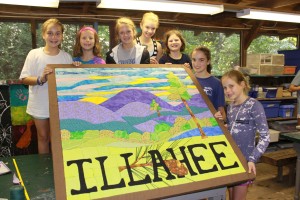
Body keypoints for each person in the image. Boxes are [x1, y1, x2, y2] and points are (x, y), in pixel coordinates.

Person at [19, 18, 73, 154]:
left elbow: (70, 82)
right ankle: (44, 169)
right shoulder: (34, 54)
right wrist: (41, 79)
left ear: (62, 36)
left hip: (60, 105)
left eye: (57, 33)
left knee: (58, 138)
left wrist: (76, 69)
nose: (54, 37)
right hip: (40, 104)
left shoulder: (67, 57)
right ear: (43, 35)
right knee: (43, 137)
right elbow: (24, 79)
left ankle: (58, 169)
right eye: (50, 33)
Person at [215, 69, 270, 200]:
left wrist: (252, 159)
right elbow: (233, 130)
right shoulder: (231, 107)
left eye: (231, 86)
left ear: (242, 84)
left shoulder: (254, 105)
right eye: (225, 88)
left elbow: (265, 137)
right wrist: (221, 123)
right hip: (231, 162)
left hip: (245, 162)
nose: (227, 91)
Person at [191, 46, 226, 119]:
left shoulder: (217, 83)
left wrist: (220, 116)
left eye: (201, 60)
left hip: (209, 126)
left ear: (208, 61)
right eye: (194, 60)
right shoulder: (187, 80)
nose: (196, 64)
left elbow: (222, 113)